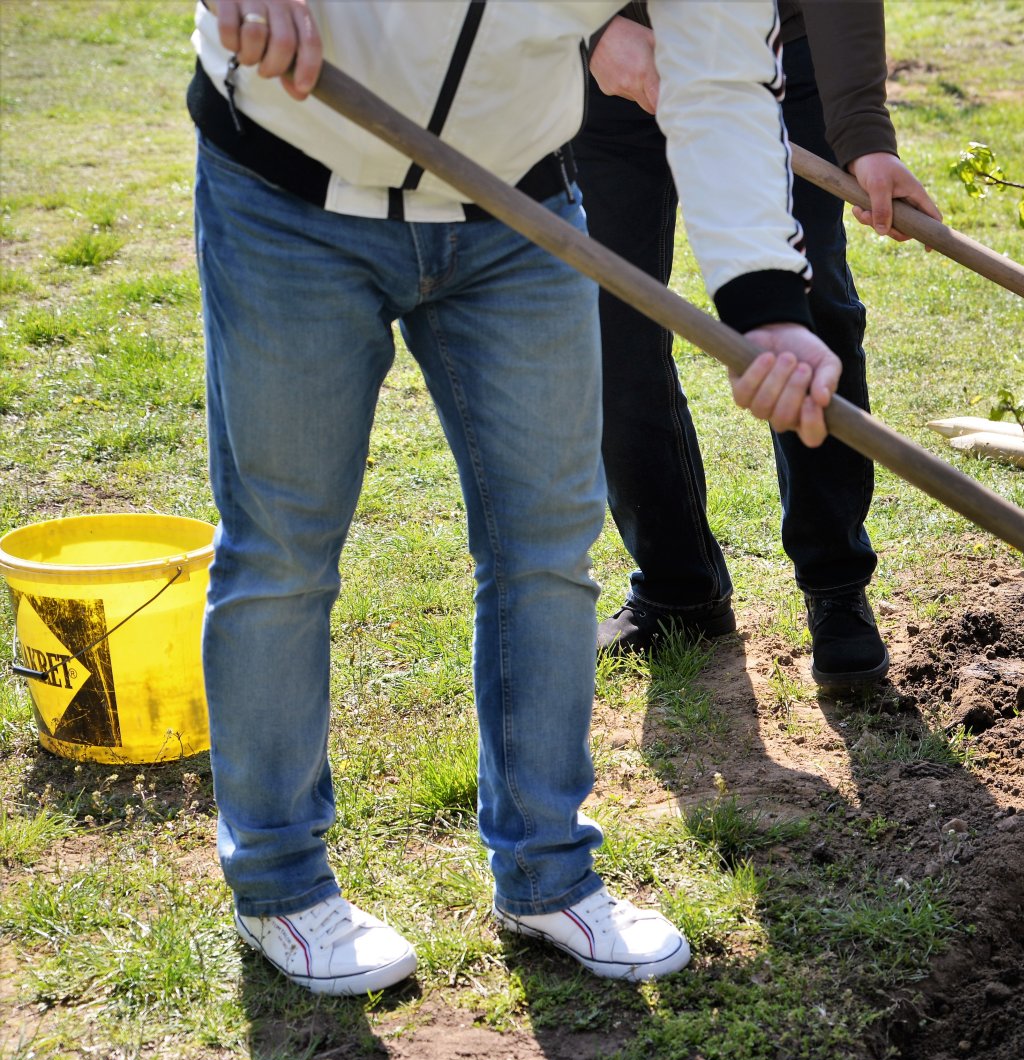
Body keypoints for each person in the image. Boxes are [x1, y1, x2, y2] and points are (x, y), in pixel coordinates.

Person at [190, 0, 841, 996]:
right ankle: (279, 883)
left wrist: (768, 301)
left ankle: (546, 871)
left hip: (515, 209)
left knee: (547, 549)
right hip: (289, 180)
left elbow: (716, 76)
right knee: (282, 548)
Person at [578, 1, 941, 690]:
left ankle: (836, 585)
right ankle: (678, 588)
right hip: (607, 64)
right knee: (609, 327)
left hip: (766, 56)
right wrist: (593, 27)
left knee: (807, 310)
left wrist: (864, 135)